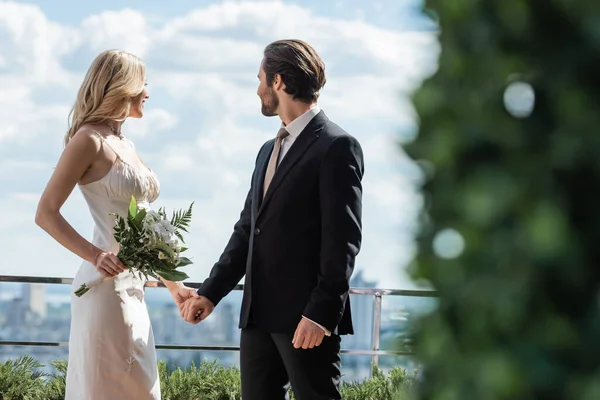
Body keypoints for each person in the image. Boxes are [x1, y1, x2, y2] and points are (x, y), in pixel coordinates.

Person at [180, 39, 364, 400]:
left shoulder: (336, 146)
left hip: (305, 320)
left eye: (261, 78)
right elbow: (248, 230)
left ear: (278, 81)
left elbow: (343, 240)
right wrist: (211, 293)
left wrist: (321, 315)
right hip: (258, 315)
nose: (258, 88)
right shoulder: (268, 149)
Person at [35, 50, 197, 400]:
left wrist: (174, 286)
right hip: (104, 289)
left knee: (141, 390)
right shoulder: (88, 140)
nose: (148, 93)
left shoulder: (127, 144)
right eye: (143, 84)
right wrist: (96, 256)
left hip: (135, 288)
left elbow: (146, 229)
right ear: (122, 87)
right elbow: (45, 213)